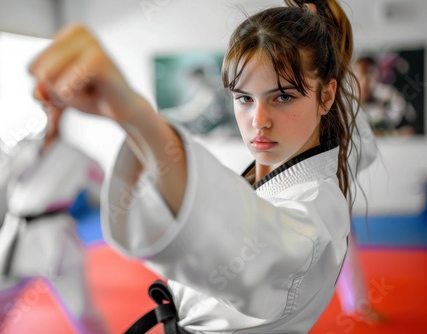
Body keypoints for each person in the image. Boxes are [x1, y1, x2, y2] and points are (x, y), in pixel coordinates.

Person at [29, 0, 370, 332]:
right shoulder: (262, 178)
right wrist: (129, 118)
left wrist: (134, 113)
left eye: (283, 96)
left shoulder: (319, 208)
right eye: (244, 98)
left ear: (326, 96)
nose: (258, 121)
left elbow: (252, 254)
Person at [0, 104, 107, 334]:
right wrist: (32, 151)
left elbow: (106, 190)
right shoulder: (22, 148)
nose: (53, 113)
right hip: (14, 236)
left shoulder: (79, 158)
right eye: (48, 107)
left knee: (82, 312)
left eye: (58, 107)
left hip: (56, 237)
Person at [353, 55, 418, 136]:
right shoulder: (350, 108)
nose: (365, 82)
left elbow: (410, 124)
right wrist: (394, 134)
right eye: (360, 76)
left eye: (370, 75)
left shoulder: (387, 95)